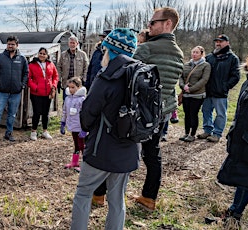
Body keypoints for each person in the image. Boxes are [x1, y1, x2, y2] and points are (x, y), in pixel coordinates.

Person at [70, 28, 140, 230]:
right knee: (117, 200)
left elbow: (87, 116)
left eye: (104, 49)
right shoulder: (140, 74)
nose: (102, 54)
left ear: (110, 51)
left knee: (83, 194)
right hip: (129, 149)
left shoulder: (106, 77)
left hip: (102, 148)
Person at [132, 7, 184, 211]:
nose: (149, 26)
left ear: (168, 24)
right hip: (161, 112)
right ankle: (149, 197)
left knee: (119, 149)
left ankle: (100, 194)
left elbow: (129, 76)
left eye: (153, 22)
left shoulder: (147, 49)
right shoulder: (179, 53)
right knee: (153, 154)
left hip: (140, 111)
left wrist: (142, 44)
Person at [218, 56, 248, 229]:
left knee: (246, 178)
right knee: (244, 179)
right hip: (243, 140)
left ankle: (235, 214)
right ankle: (234, 213)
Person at [197, 34, 240, 143]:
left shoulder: (232, 58)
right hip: (208, 91)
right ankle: (207, 130)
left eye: (221, 41)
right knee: (206, 111)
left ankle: (217, 134)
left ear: (227, 43)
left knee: (220, 114)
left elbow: (236, 76)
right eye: (217, 41)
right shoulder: (210, 57)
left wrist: (225, 87)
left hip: (221, 92)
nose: (218, 43)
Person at [0, 35, 28, 143]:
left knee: (12, 114)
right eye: (9, 44)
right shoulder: (0, 57)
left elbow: (26, 73)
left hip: (16, 92)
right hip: (2, 91)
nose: (10, 46)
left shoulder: (22, 59)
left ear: (17, 45)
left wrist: (22, 85)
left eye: (12, 44)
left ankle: (9, 133)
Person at [178, 46, 211, 142]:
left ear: (201, 54)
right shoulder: (187, 64)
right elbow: (181, 77)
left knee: (193, 114)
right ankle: (186, 133)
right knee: (186, 114)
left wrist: (191, 89)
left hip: (197, 95)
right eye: (193, 52)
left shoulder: (206, 65)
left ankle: (192, 134)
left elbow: (204, 80)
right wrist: (183, 86)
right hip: (185, 94)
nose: (194, 54)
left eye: (197, 52)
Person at [28, 47, 58, 141]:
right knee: (37, 112)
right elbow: (28, 78)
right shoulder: (32, 65)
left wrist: (53, 86)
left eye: (44, 54)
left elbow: (55, 76)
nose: (42, 55)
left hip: (47, 93)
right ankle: (33, 131)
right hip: (36, 93)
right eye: (40, 53)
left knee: (45, 113)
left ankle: (45, 131)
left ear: (47, 55)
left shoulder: (51, 64)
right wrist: (35, 87)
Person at [60, 77, 86, 172]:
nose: (71, 89)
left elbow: (85, 115)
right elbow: (64, 111)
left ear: (78, 87)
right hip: (73, 126)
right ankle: (74, 162)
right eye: (69, 87)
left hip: (80, 127)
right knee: (76, 144)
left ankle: (85, 164)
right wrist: (63, 122)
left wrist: (84, 128)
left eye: (73, 87)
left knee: (82, 145)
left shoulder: (82, 100)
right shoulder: (67, 99)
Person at [58, 36, 89, 100]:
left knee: (78, 103)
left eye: (73, 43)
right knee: (66, 102)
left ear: (77, 44)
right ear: (68, 44)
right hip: (66, 83)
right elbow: (59, 67)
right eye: (70, 43)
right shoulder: (63, 55)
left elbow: (86, 68)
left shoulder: (83, 55)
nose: (72, 45)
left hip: (78, 83)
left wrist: (84, 79)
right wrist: (58, 80)